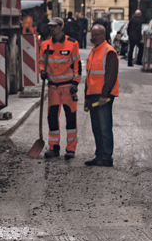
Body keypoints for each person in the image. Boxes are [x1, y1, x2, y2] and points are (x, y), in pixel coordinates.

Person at [39, 17, 82, 160]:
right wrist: (42, 72)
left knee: (70, 118)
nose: (51, 28)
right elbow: (41, 62)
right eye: (50, 26)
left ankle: (70, 149)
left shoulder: (72, 43)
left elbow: (77, 65)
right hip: (53, 87)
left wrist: (75, 82)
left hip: (68, 87)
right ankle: (54, 148)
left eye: (54, 26)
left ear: (61, 27)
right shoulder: (45, 44)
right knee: (52, 118)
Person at [84, 25, 119, 167]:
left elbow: (110, 75)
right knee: (96, 128)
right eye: (92, 34)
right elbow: (89, 76)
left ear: (104, 35)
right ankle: (99, 156)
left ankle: (106, 157)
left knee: (104, 127)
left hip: (103, 96)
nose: (93, 37)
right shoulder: (93, 52)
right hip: (93, 95)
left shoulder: (109, 51)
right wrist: (86, 96)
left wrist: (104, 95)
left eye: (97, 34)